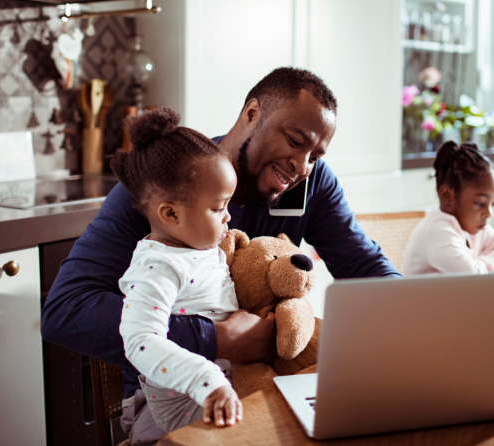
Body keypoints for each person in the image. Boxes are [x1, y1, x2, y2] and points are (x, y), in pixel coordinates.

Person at [41, 67, 400, 444]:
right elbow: (66, 311)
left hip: (262, 382)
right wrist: (215, 338)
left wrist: (418, 318)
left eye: (315, 154)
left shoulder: (312, 184)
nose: (302, 166)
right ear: (252, 114)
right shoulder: (170, 186)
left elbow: (364, 266)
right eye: (295, 140)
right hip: (177, 399)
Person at [113, 108, 243, 432]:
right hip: (189, 407)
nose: (228, 217)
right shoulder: (158, 267)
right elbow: (140, 340)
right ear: (170, 214)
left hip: (229, 385)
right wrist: (207, 380)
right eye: (218, 208)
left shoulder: (199, 247)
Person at [403, 141, 494, 275]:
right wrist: (480, 265)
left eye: (493, 204)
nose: (489, 214)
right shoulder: (437, 230)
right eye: (480, 203)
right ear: (447, 195)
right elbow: (472, 276)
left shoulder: (474, 228)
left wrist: (482, 263)